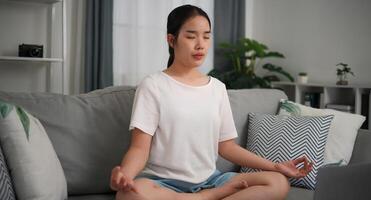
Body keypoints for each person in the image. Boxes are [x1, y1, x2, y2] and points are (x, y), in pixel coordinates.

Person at [110, 4, 313, 200]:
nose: (201, 44)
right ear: (171, 40)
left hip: (212, 180)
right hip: (163, 182)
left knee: (277, 182)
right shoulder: (153, 85)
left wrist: (276, 166)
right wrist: (125, 175)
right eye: (191, 36)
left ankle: (206, 195)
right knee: (129, 194)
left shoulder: (217, 88)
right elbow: (139, 148)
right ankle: (208, 198)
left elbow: (226, 147)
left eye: (206, 36)